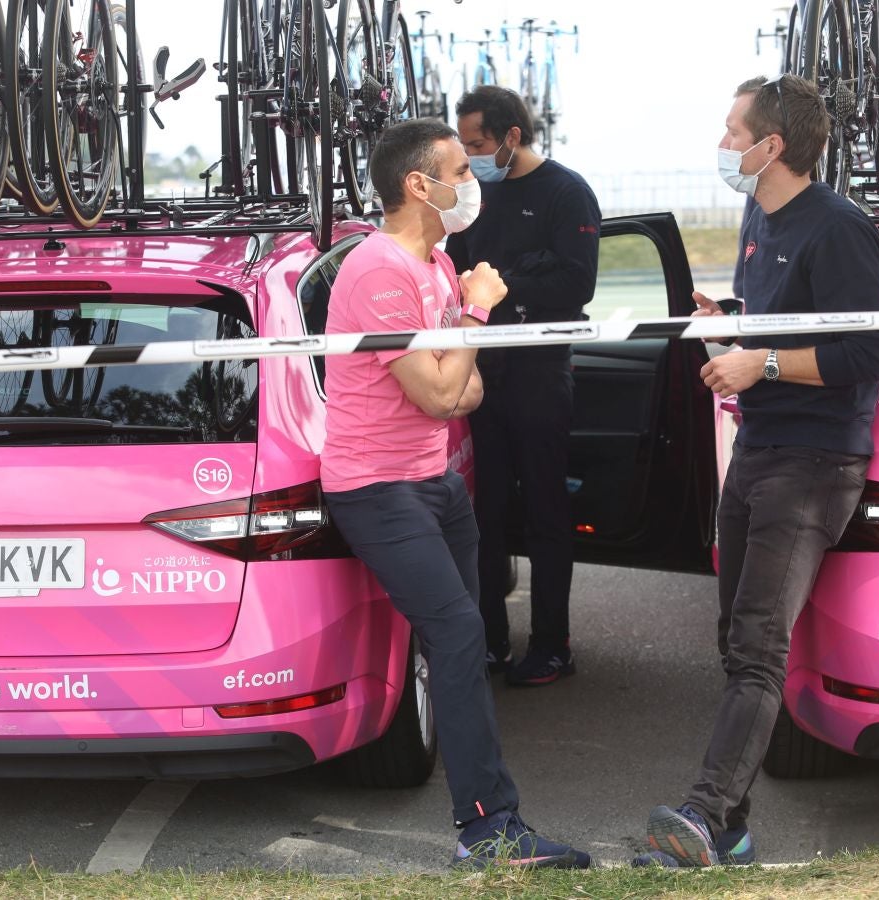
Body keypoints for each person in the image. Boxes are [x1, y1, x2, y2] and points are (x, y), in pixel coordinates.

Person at [636, 75, 879, 867]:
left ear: (772, 146)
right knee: (735, 638)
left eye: (733, 131)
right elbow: (778, 321)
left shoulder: (842, 229)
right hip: (757, 447)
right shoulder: (758, 213)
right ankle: (731, 829)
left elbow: (868, 352)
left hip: (814, 461)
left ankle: (704, 815)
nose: (722, 145)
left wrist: (765, 363)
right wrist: (732, 324)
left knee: (757, 645)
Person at [321, 118, 590, 870]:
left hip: (434, 478)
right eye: (460, 170)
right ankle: (487, 829)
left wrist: (454, 357)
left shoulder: (438, 264)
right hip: (378, 488)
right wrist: (475, 313)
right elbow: (444, 392)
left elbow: (464, 391)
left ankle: (492, 820)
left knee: (463, 643)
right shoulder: (379, 271)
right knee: (462, 635)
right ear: (420, 185)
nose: (473, 181)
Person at [444, 85, 602, 687]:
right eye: (464, 146)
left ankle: (552, 645)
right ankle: (489, 642)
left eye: (478, 144)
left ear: (512, 136)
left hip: (540, 370)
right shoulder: (473, 195)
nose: (471, 156)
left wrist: (502, 283)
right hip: (480, 371)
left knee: (545, 510)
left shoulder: (566, 191)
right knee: (484, 513)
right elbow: (455, 271)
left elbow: (576, 284)